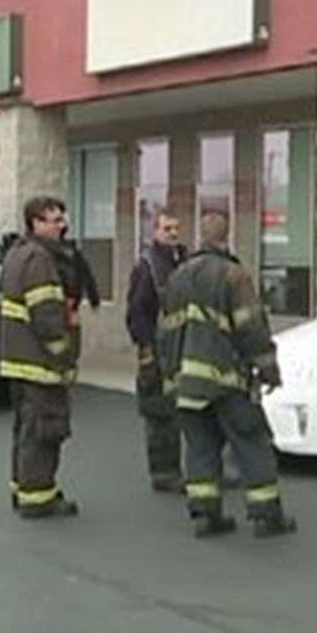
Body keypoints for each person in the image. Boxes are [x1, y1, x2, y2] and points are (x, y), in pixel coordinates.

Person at [157, 211, 297, 539]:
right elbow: (251, 328)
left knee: (201, 448)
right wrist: (268, 370)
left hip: (186, 383)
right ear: (226, 236)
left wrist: (168, 376)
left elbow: (164, 332)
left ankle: (206, 515)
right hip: (227, 382)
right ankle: (266, 517)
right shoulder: (234, 276)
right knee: (252, 444)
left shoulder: (178, 276)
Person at [0, 196, 81, 519]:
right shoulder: (40, 259)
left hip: (18, 360)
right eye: (53, 219)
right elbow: (47, 316)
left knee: (26, 429)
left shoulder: (16, 255)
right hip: (39, 363)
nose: (61, 225)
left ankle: (25, 488)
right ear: (35, 223)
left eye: (61, 218)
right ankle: (38, 497)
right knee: (45, 430)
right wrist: (64, 355)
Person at [125, 210, 186, 493]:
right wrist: (147, 349)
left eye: (175, 228)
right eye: (167, 229)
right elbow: (137, 313)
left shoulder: (184, 262)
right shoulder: (148, 266)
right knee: (160, 413)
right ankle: (164, 473)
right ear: (155, 232)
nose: (173, 233)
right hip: (157, 352)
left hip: (183, 350)